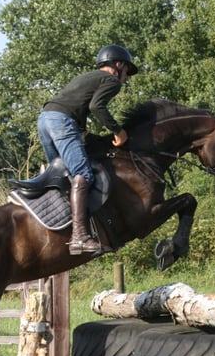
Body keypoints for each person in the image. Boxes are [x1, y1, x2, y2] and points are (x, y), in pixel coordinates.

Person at [37, 44, 139, 255]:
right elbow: (96, 107)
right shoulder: (111, 80)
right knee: (83, 174)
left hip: (45, 120)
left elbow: (80, 112)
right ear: (117, 65)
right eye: (127, 71)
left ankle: (60, 229)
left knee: (61, 176)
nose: (126, 77)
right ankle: (80, 237)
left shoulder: (86, 78)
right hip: (61, 121)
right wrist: (118, 131)